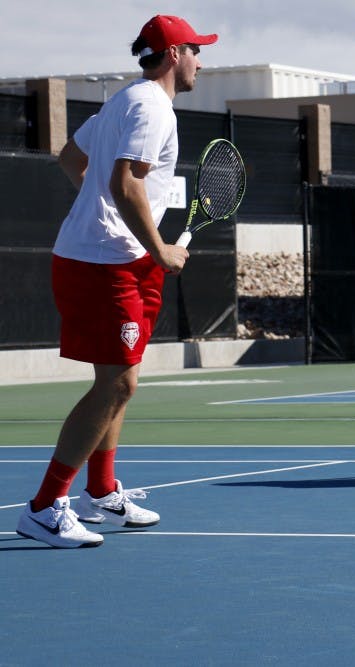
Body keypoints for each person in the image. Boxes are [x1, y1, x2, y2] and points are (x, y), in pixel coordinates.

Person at [16, 15, 218, 548]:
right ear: (174, 53)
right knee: (119, 384)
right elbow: (125, 184)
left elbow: (70, 158)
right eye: (197, 50)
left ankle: (100, 491)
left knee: (120, 380)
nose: (203, 60)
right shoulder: (151, 108)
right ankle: (43, 506)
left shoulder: (126, 100)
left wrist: (102, 213)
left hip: (117, 258)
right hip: (105, 264)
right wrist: (161, 249)